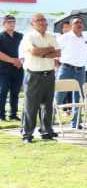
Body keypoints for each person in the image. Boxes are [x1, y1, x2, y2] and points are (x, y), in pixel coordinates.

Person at [20, 13, 60, 143]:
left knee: (48, 106)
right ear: (33, 24)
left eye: (43, 20)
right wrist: (49, 49)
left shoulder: (51, 36)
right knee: (31, 106)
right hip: (33, 75)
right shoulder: (29, 36)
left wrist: (42, 52)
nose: (42, 22)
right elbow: (33, 51)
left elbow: (58, 52)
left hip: (49, 74)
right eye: (38, 20)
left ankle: (46, 131)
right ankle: (27, 134)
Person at [56, 17, 87, 129]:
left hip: (80, 70)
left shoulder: (86, 38)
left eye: (81, 22)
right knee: (59, 95)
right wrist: (57, 63)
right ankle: (48, 122)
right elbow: (54, 50)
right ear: (71, 25)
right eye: (76, 23)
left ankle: (76, 123)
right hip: (66, 69)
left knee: (79, 97)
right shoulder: (64, 37)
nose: (79, 24)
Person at [0, 15, 24, 122]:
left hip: (18, 69)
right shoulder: (0, 36)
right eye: (9, 22)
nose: (12, 24)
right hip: (3, 70)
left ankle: (13, 114)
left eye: (13, 22)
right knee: (3, 92)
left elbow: (26, 50)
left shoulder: (20, 36)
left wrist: (21, 61)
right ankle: (1, 115)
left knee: (15, 92)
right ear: (4, 23)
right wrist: (13, 60)